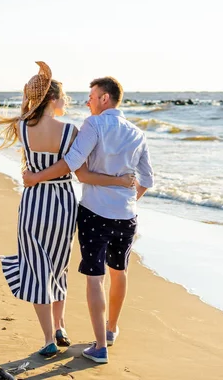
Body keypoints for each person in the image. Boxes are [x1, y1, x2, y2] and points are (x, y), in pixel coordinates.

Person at [0, 62, 134, 357]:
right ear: (52, 99)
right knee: (58, 267)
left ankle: (48, 338)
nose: (67, 102)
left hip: (33, 201)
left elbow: (30, 157)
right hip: (62, 202)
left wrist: (34, 175)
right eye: (63, 96)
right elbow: (78, 166)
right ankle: (60, 325)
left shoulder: (20, 127)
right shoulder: (70, 131)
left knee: (36, 268)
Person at [23, 76, 154, 364]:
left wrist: (34, 178)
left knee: (95, 278)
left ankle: (99, 348)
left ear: (105, 98)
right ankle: (110, 331)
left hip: (95, 212)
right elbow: (147, 179)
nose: (88, 101)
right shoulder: (136, 132)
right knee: (119, 271)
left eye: (92, 96)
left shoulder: (93, 125)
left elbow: (74, 167)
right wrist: (128, 198)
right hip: (126, 216)